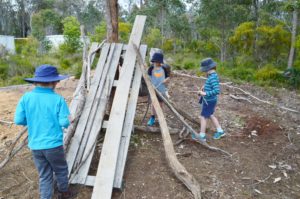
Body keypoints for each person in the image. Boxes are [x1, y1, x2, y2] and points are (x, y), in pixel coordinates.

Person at [14, 65, 77, 199]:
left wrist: (33, 120)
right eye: (57, 81)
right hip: (53, 145)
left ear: (36, 81)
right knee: (60, 169)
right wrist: (70, 119)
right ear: (53, 82)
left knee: (44, 175)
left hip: (35, 145)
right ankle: (64, 192)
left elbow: (18, 120)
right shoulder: (58, 99)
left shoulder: (26, 98)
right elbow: (63, 123)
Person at [193, 58, 225, 142]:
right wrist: (204, 87)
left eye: (204, 70)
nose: (204, 72)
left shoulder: (213, 77)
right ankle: (220, 131)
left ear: (208, 69)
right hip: (210, 100)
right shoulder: (212, 75)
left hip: (209, 101)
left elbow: (216, 91)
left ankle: (202, 136)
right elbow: (210, 84)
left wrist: (205, 93)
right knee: (210, 115)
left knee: (203, 117)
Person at [147, 52, 170, 126]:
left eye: (158, 61)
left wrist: (166, 80)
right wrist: (151, 85)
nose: (156, 63)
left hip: (162, 89)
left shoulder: (164, 68)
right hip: (153, 89)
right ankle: (152, 117)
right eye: (155, 61)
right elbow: (148, 78)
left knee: (160, 103)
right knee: (153, 103)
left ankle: (161, 118)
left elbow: (168, 77)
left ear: (160, 61)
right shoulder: (151, 68)